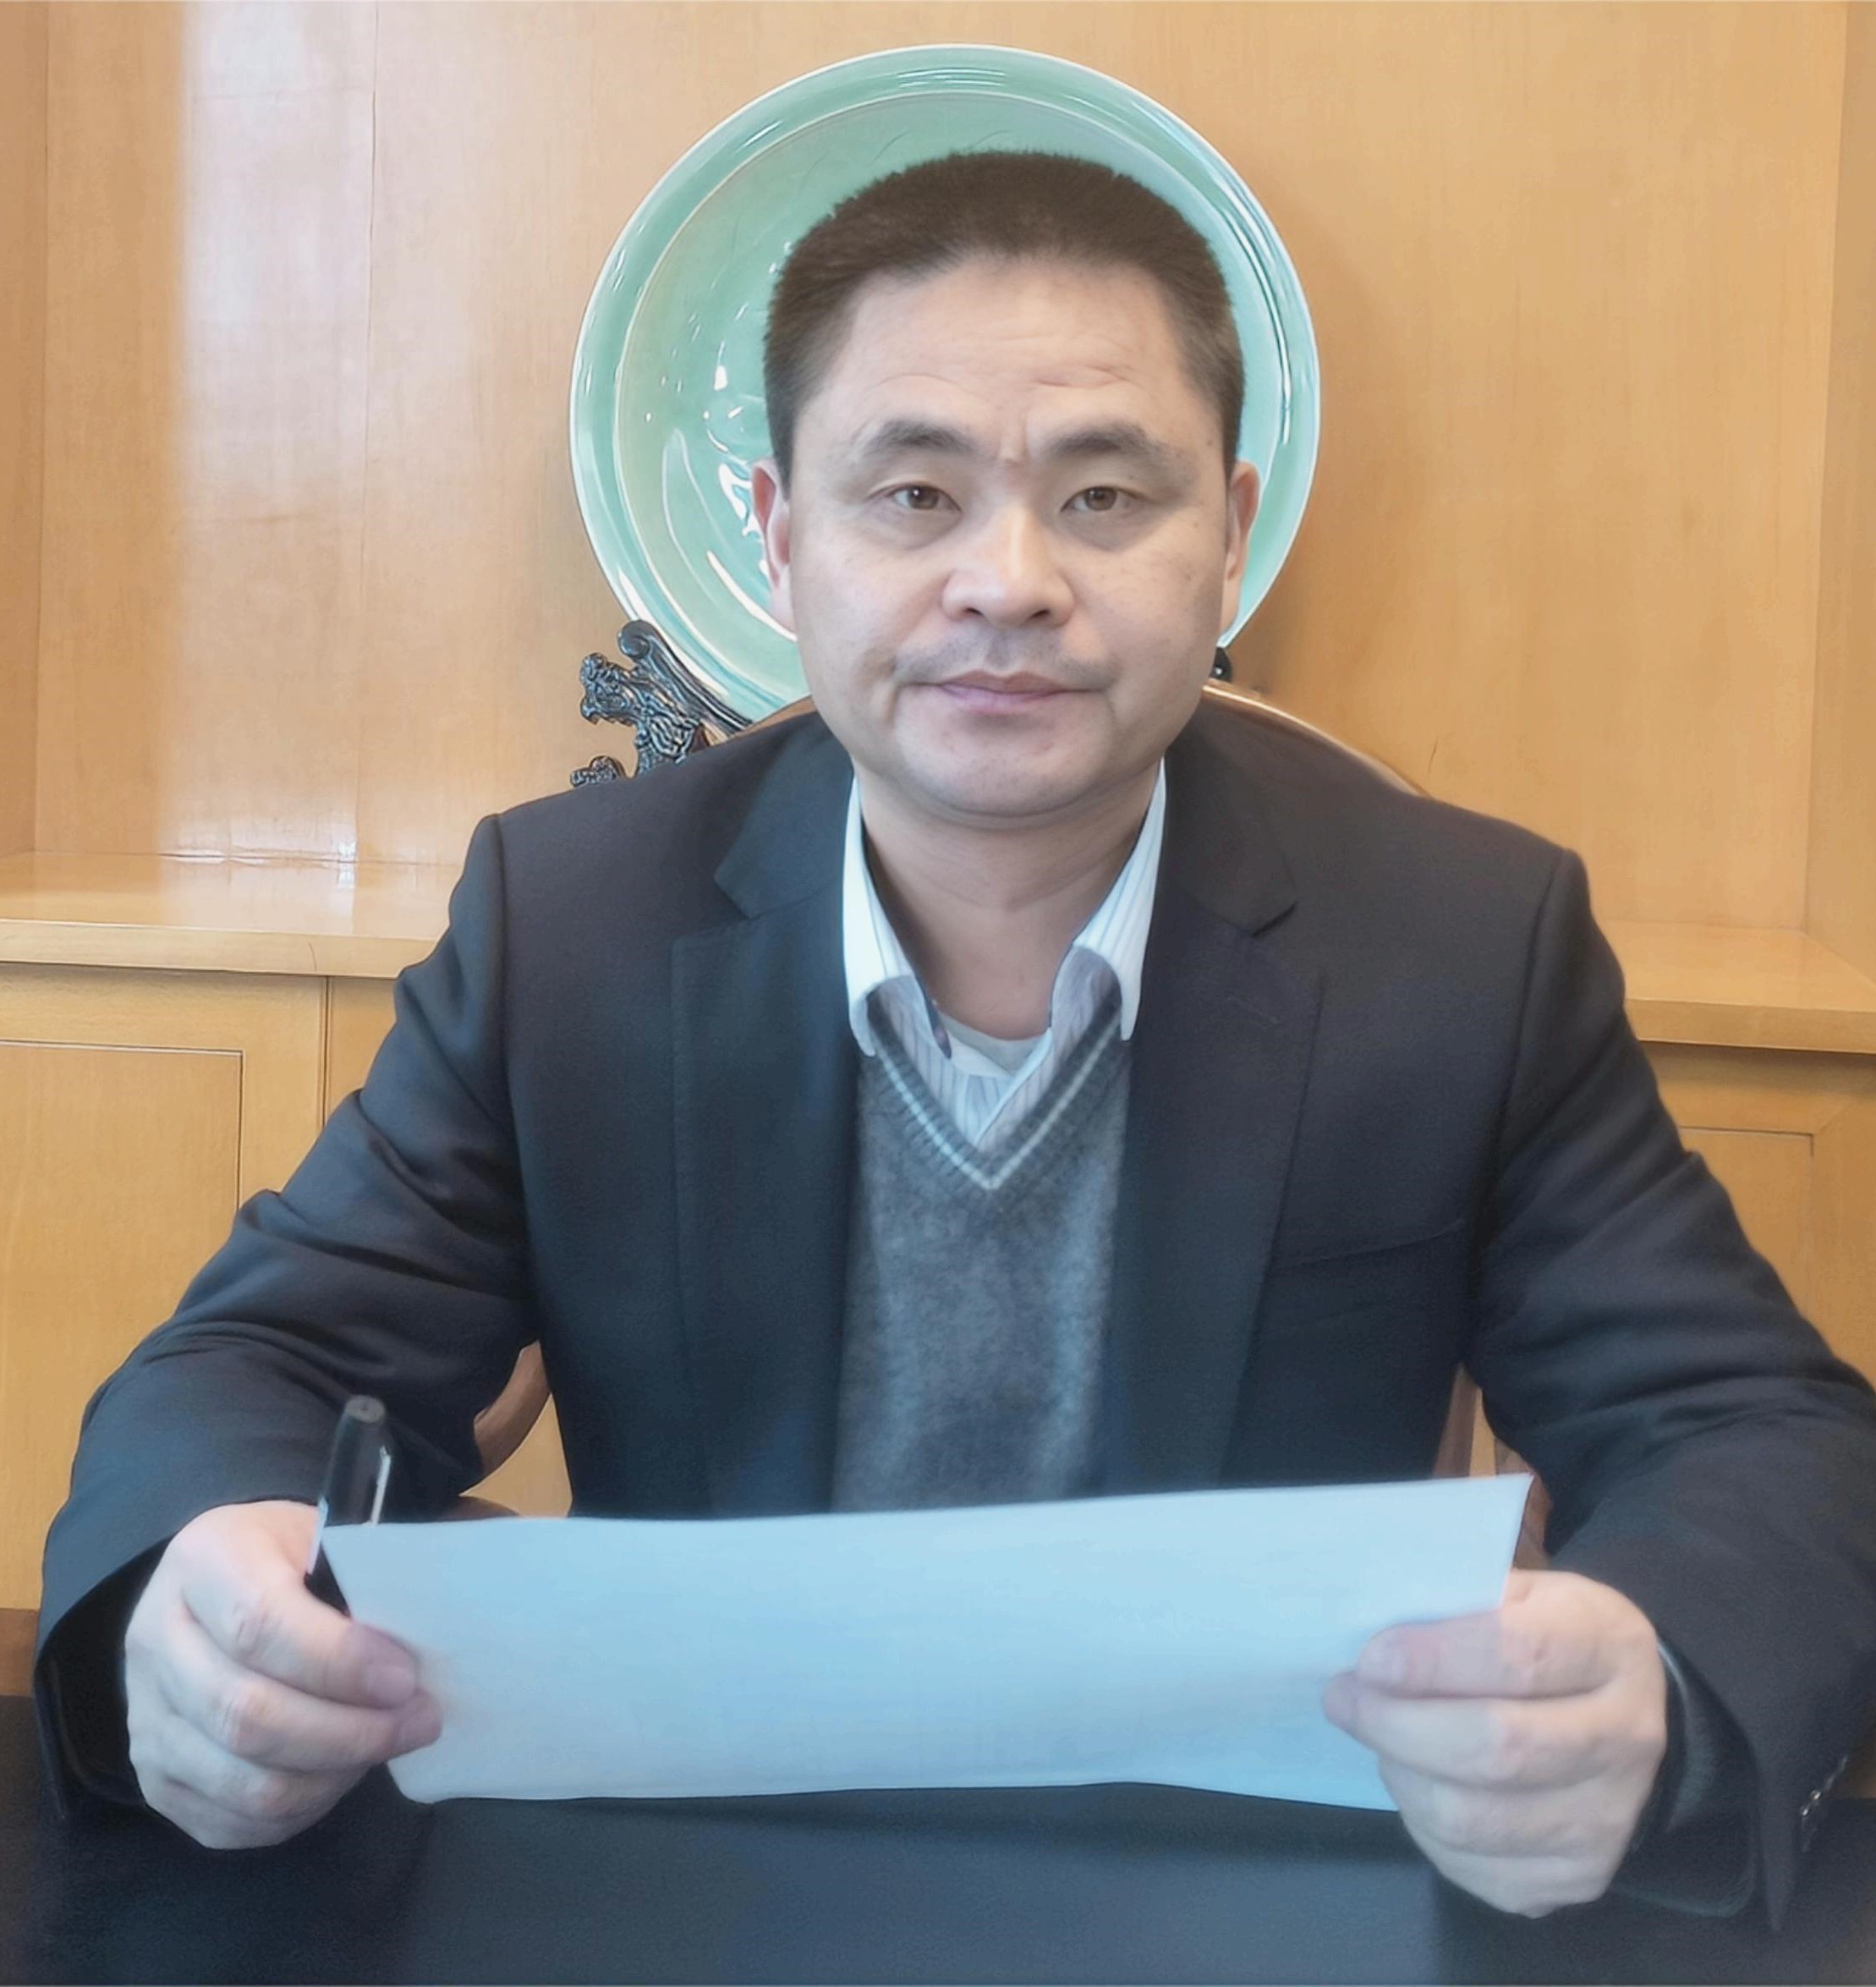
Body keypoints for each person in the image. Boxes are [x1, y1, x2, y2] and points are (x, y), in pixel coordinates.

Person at [32, 150, 1876, 1929]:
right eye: (912, 495)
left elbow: (1754, 1430)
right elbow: (260, 1358)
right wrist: (197, 1602)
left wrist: (1659, 1685)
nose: (1007, 579)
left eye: (1104, 497)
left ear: (1229, 538)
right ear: (779, 541)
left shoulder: (1460, 941)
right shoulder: (570, 922)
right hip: (703, 1869)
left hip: (1244, 1881)